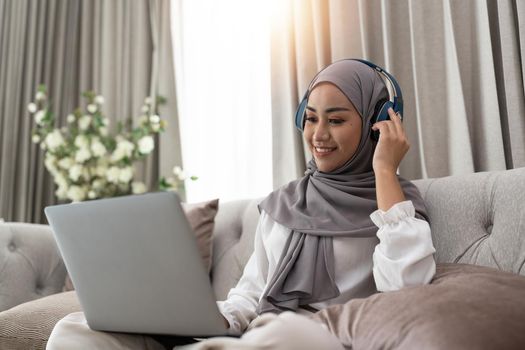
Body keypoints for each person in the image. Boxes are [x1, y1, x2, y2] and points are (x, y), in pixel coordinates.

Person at [47, 59, 436, 350]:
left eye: (336, 120)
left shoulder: (396, 205)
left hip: (316, 338)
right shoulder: (285, 204)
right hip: (257, 336)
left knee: (282, 332)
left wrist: (384, 170)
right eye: (311, 118)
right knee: (74, 329)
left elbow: (407, 289)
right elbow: (251, 294)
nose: (318, 134)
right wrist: (221, 317)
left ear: (376, 123)